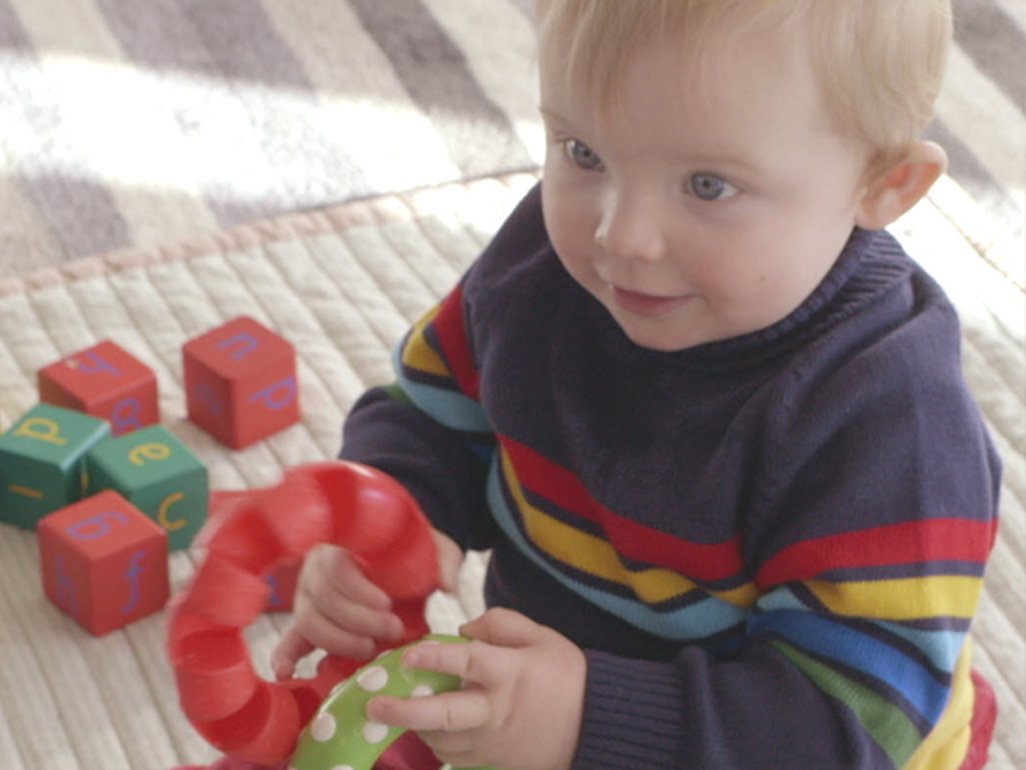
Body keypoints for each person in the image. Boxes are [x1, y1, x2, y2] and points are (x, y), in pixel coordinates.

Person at [269, 1, 1001, 769]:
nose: (620, 234)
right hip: (543, 703)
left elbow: (849, 728)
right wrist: (392, 519)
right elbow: (434, 411)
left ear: (885, 186)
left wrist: (587, 719)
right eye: (584, 152)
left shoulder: (892, 421)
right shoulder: (544, 271)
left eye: (708, 186)